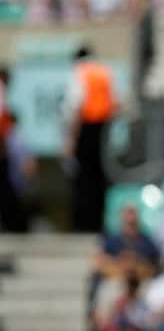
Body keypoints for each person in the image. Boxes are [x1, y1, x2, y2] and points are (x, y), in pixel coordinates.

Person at [64, 44, 116, 232]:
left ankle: (83, 225)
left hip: (86, 130)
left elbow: (76, 108)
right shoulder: (104, 72)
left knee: (83, 181)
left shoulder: (79, 73)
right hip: (103, 130)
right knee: (98, 180)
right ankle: (98, 223)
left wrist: (71, 141)